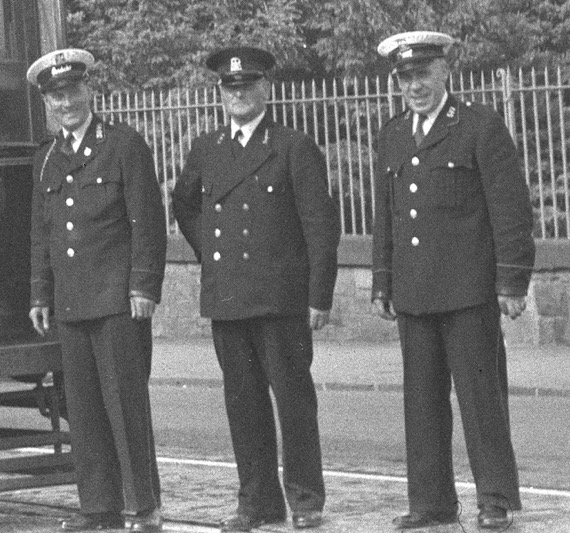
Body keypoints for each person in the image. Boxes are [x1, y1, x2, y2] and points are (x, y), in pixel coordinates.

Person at [172, 46, 340, 531]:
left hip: (281, 299)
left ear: (266, 89)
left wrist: (319, 294)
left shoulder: (292, 145)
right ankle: (257, 502)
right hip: (228, 299)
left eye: (247, 85)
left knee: (293, 401)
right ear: (220, 92)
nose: (238, 94)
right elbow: (184, 205)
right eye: (230, 87)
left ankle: (306, 499)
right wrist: (212, 256)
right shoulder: (206, 149)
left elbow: (320, 225)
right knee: (243, 404)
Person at [372, 32, 535, 530]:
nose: (415, 86)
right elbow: (388, 215)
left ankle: (496, 500)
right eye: (405, 78)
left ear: (445, 72)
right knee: (420, 402)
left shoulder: (479, 127)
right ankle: (431, 502)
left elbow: (510, 209)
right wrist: (383, 280)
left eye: (423, 74)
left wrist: (512, 281)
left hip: (468, 291)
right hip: (415, 291)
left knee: (481, 399)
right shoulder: (393, 133)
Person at [27, 49, 166, 532]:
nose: (65, 102)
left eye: (71, 91)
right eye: (55, 95)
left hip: (116, 301)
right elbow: (41, 232)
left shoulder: (123, 145)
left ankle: (143, 507)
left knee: (125, 405)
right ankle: (99, 509)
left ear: (89, 91)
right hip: (70, 302)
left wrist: (143, 286)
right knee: (83, 412)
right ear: (47, 101)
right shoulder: (47, 158)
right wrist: (40, 294)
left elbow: (147, 223)